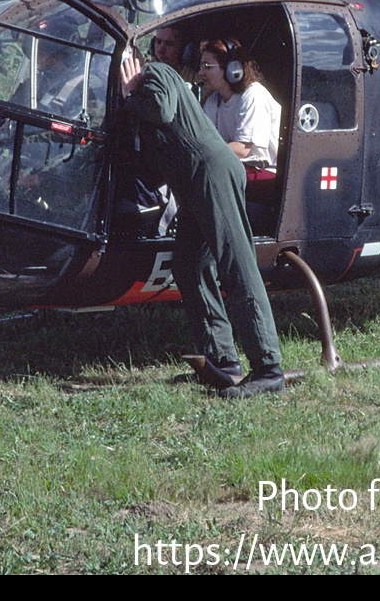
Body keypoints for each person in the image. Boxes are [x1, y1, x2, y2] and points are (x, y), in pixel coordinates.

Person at [120, 48, 285, 399]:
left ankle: (268, 367)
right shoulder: (143, 93)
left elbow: (162, 111)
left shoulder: (156, 75)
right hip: (193, 185)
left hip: (212, 175)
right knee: (189, 265)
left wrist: (131, 95)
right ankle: (222, 361)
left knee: (236, 264)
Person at [196, 38, 281, 180]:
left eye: (207, 67)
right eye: (201, 66)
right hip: (233, 168)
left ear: (232, 68)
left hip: (263, 172)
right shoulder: (214, 100)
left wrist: (202, 152)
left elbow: (242, 149)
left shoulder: (253, 95)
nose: (201, 72)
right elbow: (203, 138)